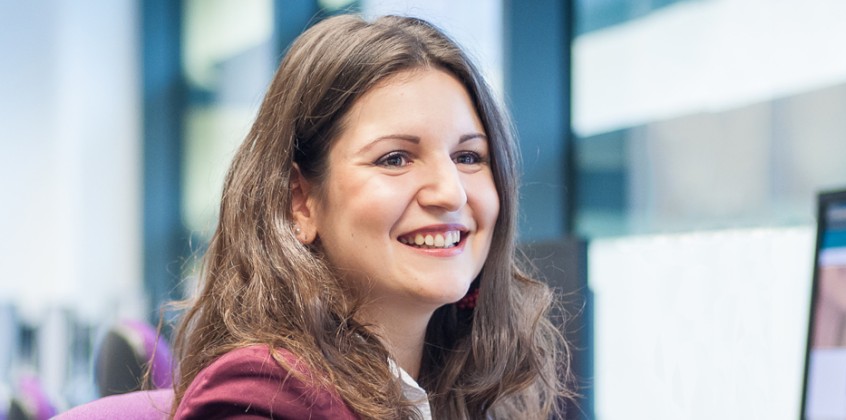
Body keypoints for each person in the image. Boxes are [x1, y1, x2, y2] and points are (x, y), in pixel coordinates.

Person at [171, 15, 570, 419]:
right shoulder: (259, 402)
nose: (451, 193)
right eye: (395, 159)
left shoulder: (485, 393)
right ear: (300, 202)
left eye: (468, 157)